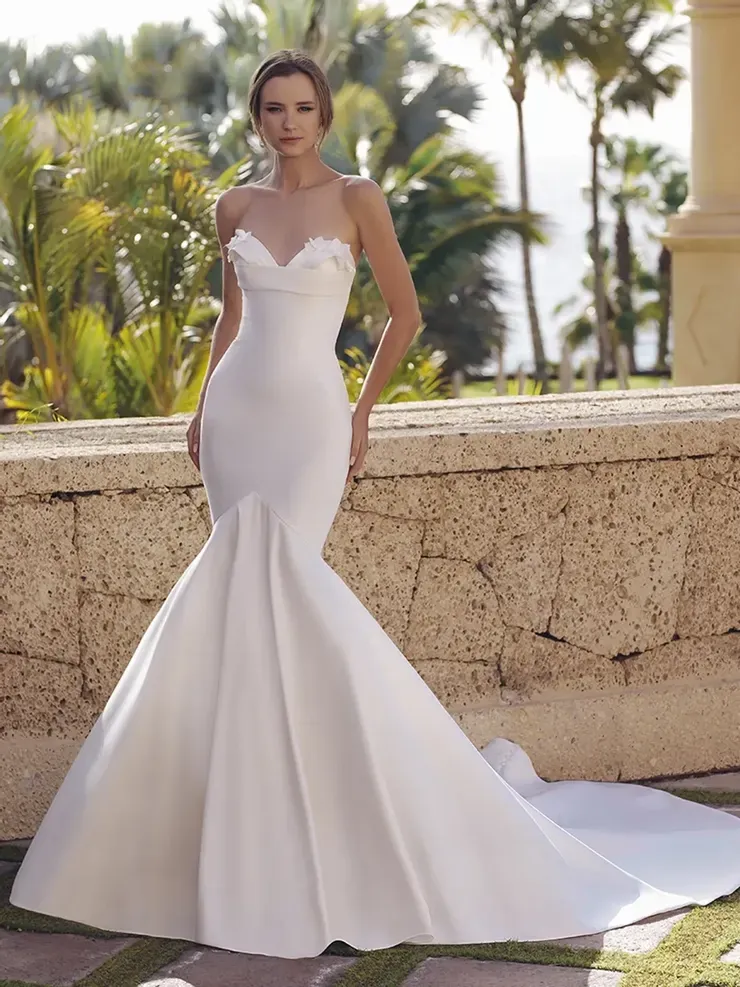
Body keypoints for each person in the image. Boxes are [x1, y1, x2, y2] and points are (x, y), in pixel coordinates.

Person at [10, 48, 740, 961]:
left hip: (312, 420)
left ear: (322, 115)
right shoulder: (235, 205)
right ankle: (238, 828)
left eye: (302, 107)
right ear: (257, 116)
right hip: (237, 419)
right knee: (235, 600)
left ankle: (329, 817)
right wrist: (201, 406)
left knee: (292, 590)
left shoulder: (359, 200)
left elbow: (404, 312)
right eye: (273, 108)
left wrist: (360, 415)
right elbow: (230, 321)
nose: (288, 122)